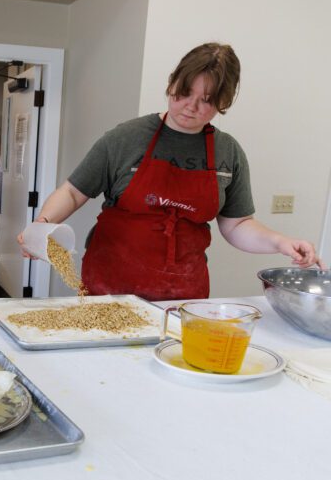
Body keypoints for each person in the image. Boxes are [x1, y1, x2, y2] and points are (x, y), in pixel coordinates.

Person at [19, 42, 325, 301]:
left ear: (223, 102)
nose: (190, 107)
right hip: (110, 287)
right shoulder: (125, 138)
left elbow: (237, 224)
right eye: (184, 93)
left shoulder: (227, 152)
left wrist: (280, 243)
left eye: (206, 101)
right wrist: (43, 225)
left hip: (183, 294)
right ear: (172, 83)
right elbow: (73, 192)